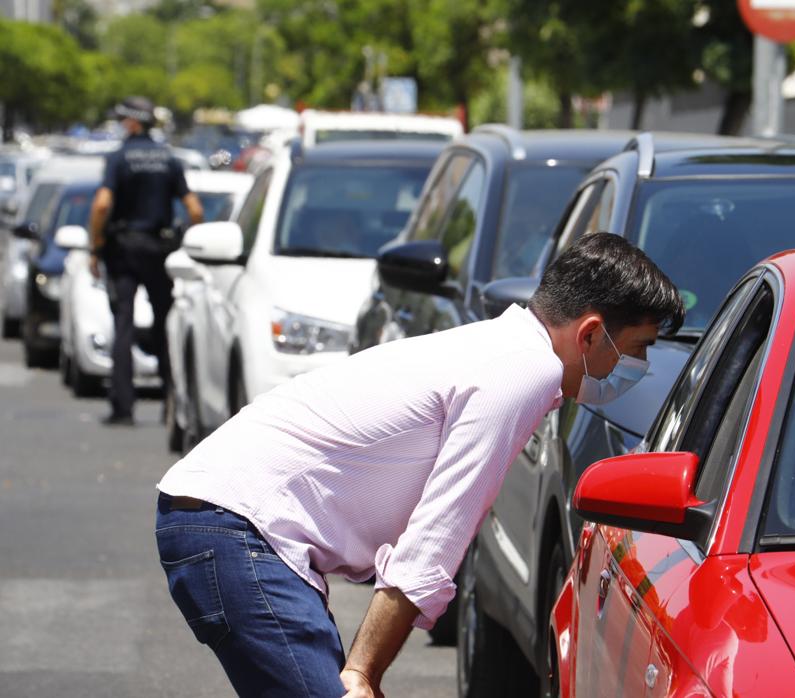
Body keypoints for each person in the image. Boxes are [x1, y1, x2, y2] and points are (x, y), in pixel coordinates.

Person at [153, 233, 683, 697]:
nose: (635, 368)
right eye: (637, 349)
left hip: (233, 522)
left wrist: (363, 670)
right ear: (590, 333)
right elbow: (433, 543)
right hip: (234, 525)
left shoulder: (502, 348)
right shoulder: (523, 372)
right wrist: (362, 670)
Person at [88, 96, 203, 426]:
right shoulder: (169, 159)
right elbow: (194, 209)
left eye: (123, 120)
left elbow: (100, 205)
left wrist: (96, 247)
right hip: (158, 248)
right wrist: (192, 244)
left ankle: (123, 406)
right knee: (165, 323)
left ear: (132, 123)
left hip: (123, 248)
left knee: (123, 323)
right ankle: (172, 399)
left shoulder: (118, 158)